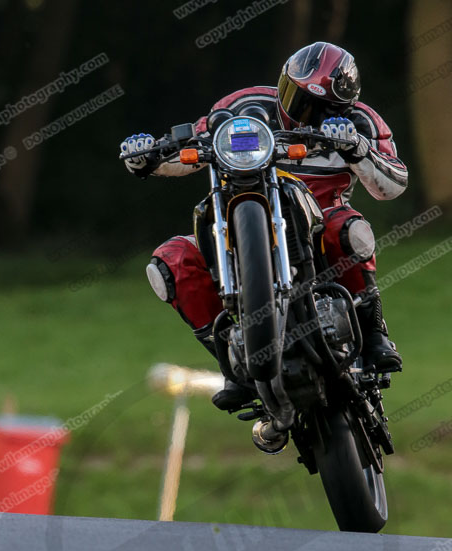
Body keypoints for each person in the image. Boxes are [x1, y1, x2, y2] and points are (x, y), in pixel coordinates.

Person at [120, 42, 408, 410]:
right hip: (238, 216)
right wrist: (149, 157)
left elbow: (394, 184)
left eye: (320, 109)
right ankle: (230, 362)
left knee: (351, 231)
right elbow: (196, 142)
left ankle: (374, 333)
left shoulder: (362, 121)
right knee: (168, 263)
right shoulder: (243, 105)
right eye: (297, 97)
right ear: (283, 85)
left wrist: (358, 149)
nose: (304, 114)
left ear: (343, 108)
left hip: (319, 221)